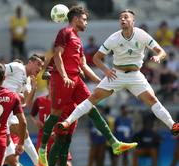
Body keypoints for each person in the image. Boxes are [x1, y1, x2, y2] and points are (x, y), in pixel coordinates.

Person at [38, 5, 137, 166]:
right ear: (76, 19)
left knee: (91, 106)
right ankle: (42, 150)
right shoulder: (65, 32)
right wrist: (64, 76)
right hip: (63, 79)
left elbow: (83, 65)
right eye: (84, 19)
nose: (86, 23)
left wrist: (102, 81)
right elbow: (57, 55)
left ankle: (114, 142)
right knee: (55, 113)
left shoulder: (77, 39)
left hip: (75, 79)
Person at [58, 9, 179, 140]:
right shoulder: (114, 38)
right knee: (94, 98)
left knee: (152, 100)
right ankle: (67, 122)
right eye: (120, 18)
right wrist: (107, 71)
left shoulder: (142, 34)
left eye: (126, 17)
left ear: (133, 21)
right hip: (117, 75)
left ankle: (172, 125)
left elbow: (161, 51)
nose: (122, 20)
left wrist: (158, 57)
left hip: (135, 75)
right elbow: (96, 58)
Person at [0, 55, 43, 166]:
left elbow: (26, 103)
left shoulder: (25, 80)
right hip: (2, 110)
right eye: (39, 64)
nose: (40, 69)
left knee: (11, 157)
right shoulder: (16, 68)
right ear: (30, 62)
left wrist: (34, 88)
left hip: (10, 112)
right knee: (7, 156)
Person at [30, 84, 83, 166]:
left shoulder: (62, 102)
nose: (53, 88)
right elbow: (32, 114)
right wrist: (35, 122)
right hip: (43, 139)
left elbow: (69, 118)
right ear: (48, 87)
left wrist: (59, 132)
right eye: (51, 86)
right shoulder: (39, 101)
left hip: (58, 138)